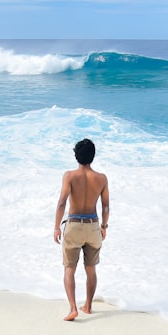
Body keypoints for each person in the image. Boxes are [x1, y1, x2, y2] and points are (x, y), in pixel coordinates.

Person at [53, 138, 110, 321]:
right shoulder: (101, 178)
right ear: (93, 156)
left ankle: (72, 308)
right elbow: (106, 206)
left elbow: (62, 202)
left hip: (74, 224)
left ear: (76, 156)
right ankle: (88, 305)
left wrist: (56, 227)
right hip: (93, 225)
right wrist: (103, 226)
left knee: (69, 269)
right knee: (91, 269)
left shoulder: (69, 176)